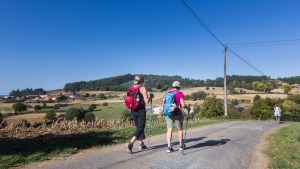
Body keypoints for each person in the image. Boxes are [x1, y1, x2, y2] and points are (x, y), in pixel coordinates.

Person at [126, 75, 154, 154]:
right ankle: (130, 144)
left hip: (133, 110)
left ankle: (141, 144)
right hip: (141, 110)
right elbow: (146, 101)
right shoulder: (142, 88)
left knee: (138, 127)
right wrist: (151, 97)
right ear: (142, 81)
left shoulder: (130, 88)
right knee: (141, 127)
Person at [164, 81, 190, 153]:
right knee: (179, 129)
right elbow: (183, 104)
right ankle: (181, 145)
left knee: (169, 129)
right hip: (177, 113)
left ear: (173, 86)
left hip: (168, 113)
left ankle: (169, 147)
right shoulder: (180, 93)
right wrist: (188, 108)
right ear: (178, 87)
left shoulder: (167, 93)